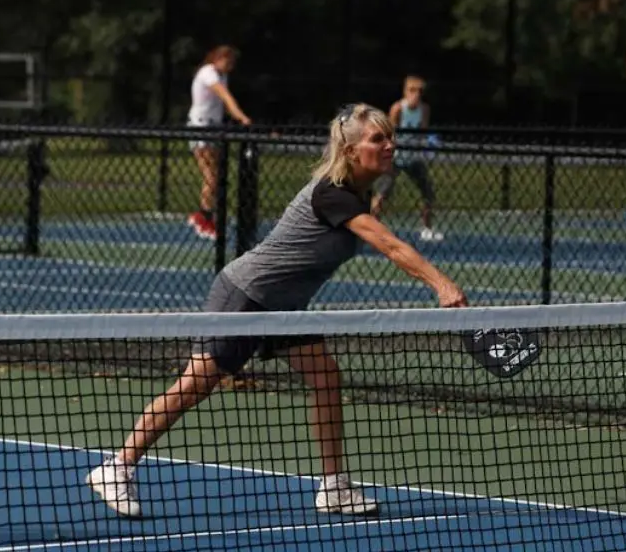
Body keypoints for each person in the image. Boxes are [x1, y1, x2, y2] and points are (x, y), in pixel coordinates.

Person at [87, 103, 468, 519]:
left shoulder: (358, 192)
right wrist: (441, 283)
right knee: (195, 385)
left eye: (390, 136)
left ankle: (334, 487)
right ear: (352, 150)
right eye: (379, 138)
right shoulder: (333, 194)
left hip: (285, 306)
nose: (390, 145)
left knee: (326, 378)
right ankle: (116, 467)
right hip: (246, 296)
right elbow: (391, 246)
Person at [186, 45, 252, 241]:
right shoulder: (208, 73)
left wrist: (237, 117)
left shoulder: (222, 76)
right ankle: (203, 216)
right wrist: (242, 117)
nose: (230, 65)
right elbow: (225, 97)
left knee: (215, 174)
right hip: (200, 127)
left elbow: (224, 103)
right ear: (217, 59)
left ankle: (205, 214)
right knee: (211, 175)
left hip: (213, 128)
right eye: (228, 61)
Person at [371, 75, 443, 242]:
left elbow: (423, 132)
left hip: (413, 158)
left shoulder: (424, 109)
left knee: (428, 193)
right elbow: (389, 135)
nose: (416, 94)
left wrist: (426, 146)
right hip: (395, 157)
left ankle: (427, 229)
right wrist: (388, 158)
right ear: (405, 92)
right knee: (382, 194)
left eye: (419, 91)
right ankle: (373, 230)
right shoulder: (397, 109)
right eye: (412, 90)